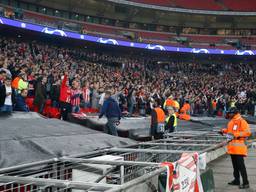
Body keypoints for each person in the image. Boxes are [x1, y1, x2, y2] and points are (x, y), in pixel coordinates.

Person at [220, 107, 251, 189]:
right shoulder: (231, 122)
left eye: (230, 113)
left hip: (239, 148)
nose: (228, 114)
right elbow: (230, 131)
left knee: (241, 166)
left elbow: (247, 132)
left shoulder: (242, 121)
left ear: (234, 113)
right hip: (233, 148)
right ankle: (236, 180)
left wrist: (236, 135)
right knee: (235, 166)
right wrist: (224, 131)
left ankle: (245, 182)